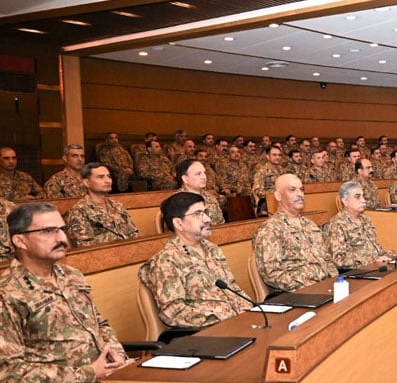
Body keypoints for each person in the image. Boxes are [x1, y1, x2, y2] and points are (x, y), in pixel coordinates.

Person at [0, 202, 129, 381]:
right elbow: (9, 373)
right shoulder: (7, 293)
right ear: (20, 241)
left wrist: (117, 355)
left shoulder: (71, 275)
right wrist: (88, 373)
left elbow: (99, 323)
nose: (62, 238)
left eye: (62, 229)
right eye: (48, 231)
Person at [139, 192, 250, 328]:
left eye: (205, 212)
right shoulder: (166, 261)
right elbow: (173, 312)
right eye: (198, 214)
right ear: (179, 223)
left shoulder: (213, 249)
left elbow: (233, 288)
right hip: (208, 332)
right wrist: (222, 318)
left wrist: (252, 312)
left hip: (238, 322)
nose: (207, 219)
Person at [252, 174, 337, 292]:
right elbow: (272, 273)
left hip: (326, 288)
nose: (300, 194)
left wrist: (335, 282)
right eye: (292, 190)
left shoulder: (309, 224)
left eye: (302, 190)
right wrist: (311, 287)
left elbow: (327, 260)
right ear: (278, 196)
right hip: (298, 293)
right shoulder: (271, 229)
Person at [325, 181, 397, 270]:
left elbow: (377, 251)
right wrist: (372, 260)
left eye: (363, 196)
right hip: (355, 273)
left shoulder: (366, 220)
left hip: (374, 267)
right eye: (357, 197)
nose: (363, 200)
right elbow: (338, 260)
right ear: (345, 201)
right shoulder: (336, 224)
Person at [64, 163, 139, 247]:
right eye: (101, 177)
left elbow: (134, 234)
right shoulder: (78, 211)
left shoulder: (117, 206)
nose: (108, 181)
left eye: (109, 176)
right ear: (86, 182)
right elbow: (84, 245)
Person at [176, 159, 224, 225]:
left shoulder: (210, 197)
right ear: (185, 179)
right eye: (198, 174)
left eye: (204, 173)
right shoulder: (176, 202)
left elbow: (221, 224)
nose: (204, 177)